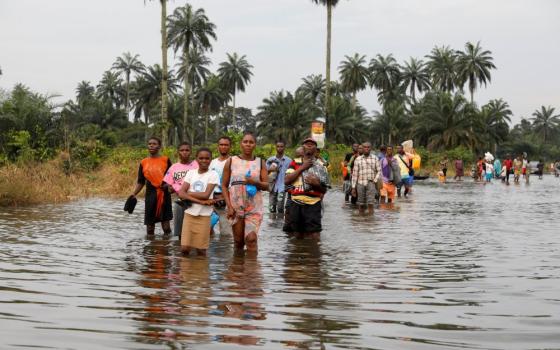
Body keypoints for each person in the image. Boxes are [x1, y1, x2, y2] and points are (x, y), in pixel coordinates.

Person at [222, 132, 268, 253]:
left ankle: (252, 271)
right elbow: (224, 185)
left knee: (251, 240)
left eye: (251, 142)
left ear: (255, 145)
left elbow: (267, 186)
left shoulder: (260, 162)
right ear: (241, 144)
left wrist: (255, 182)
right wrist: (229, 206)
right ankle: (238, 270)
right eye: (245, 142)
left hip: (254, 207)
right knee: (238, 242)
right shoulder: (231, 161)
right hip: (235, 207)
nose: (248, 144)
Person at [284, 138, 329, 239]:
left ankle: (313, 253)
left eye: (312, 144)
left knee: (314, 235)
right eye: (307, 144)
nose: (309, 146)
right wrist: (302, 167)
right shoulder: (294, 162)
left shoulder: (321, 165)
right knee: (297, 235)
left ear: (315, 149)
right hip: (295, 202)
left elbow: (324, 190)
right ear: (302, 147)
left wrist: (316, 184)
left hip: (313, 204)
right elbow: (286, 180)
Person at [177, 148, 219, 256]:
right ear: (196, 159)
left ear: (211, 160)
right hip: (189, 214)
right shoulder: (191, 173)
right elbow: (181, 193)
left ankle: (200, 271)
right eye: (201, 158)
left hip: (204, 216)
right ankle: (187, 272)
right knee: (185, 249)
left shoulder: (213, 175)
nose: (204, 161)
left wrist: (188, 193)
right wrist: (201, 202)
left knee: (201, 250)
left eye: (207, 158)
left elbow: (205, 194)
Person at [130, 137, 173, 236]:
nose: (151, 145)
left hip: (164, 195)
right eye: (149, 144)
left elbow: (172, 177)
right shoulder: (143, 162)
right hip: (150, 196)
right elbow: (141, 182)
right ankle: (151, 248)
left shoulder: (165, 160)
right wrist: (133, 194)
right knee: (150, 229)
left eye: (154, 144)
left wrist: (168, 186)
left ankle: (167, 246)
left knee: (166, 227)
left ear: (159, 146)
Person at [163, 142, 199, 237]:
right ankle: (180, 250)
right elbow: (168, 188)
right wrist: (174, 187)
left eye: (187, 150)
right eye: (182, 150)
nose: (184, 152)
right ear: (178, 152)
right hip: (180, 202)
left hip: (196, 201)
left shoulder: (197, 165)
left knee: (195, 231)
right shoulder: (173, 167)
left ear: (191, 152)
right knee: (180, 232)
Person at [209, 136, 233, 236]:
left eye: (226, 145)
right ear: (218, 146)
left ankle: (224, 250)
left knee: (226, 233)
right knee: (208, 229)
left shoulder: (234, 161)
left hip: (228, 200)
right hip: (212, 199)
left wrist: (225, 197)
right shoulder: (211, 163)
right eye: (221, 144)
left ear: (230, 147)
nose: (223, 147)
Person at [351, 142, 381, 215]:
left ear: (370, 148)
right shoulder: (358, 159)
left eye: (368, 147)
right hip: (360, 183)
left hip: (371, 183)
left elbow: (379, 171)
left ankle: (370, 221)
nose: (366, 149)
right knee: (360, 204)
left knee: (371, 203)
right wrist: (353, 188)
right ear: (362, 148)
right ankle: (362, 222)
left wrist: (375, 180)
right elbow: (355, 174)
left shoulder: (375, 158)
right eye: (365, 147)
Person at [266, 140, 292, 214]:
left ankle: (279, 224)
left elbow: (292, 174)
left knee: (280, 208)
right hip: (272, 187)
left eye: (281, 146)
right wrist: (270, 169)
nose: (279, 148)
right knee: (271, 208)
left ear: (284, 148)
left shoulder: (289, 161)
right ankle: (272, 224)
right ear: (275, 147)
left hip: (282, 187)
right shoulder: (270, 160)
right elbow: (264, 173)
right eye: (278, 146)